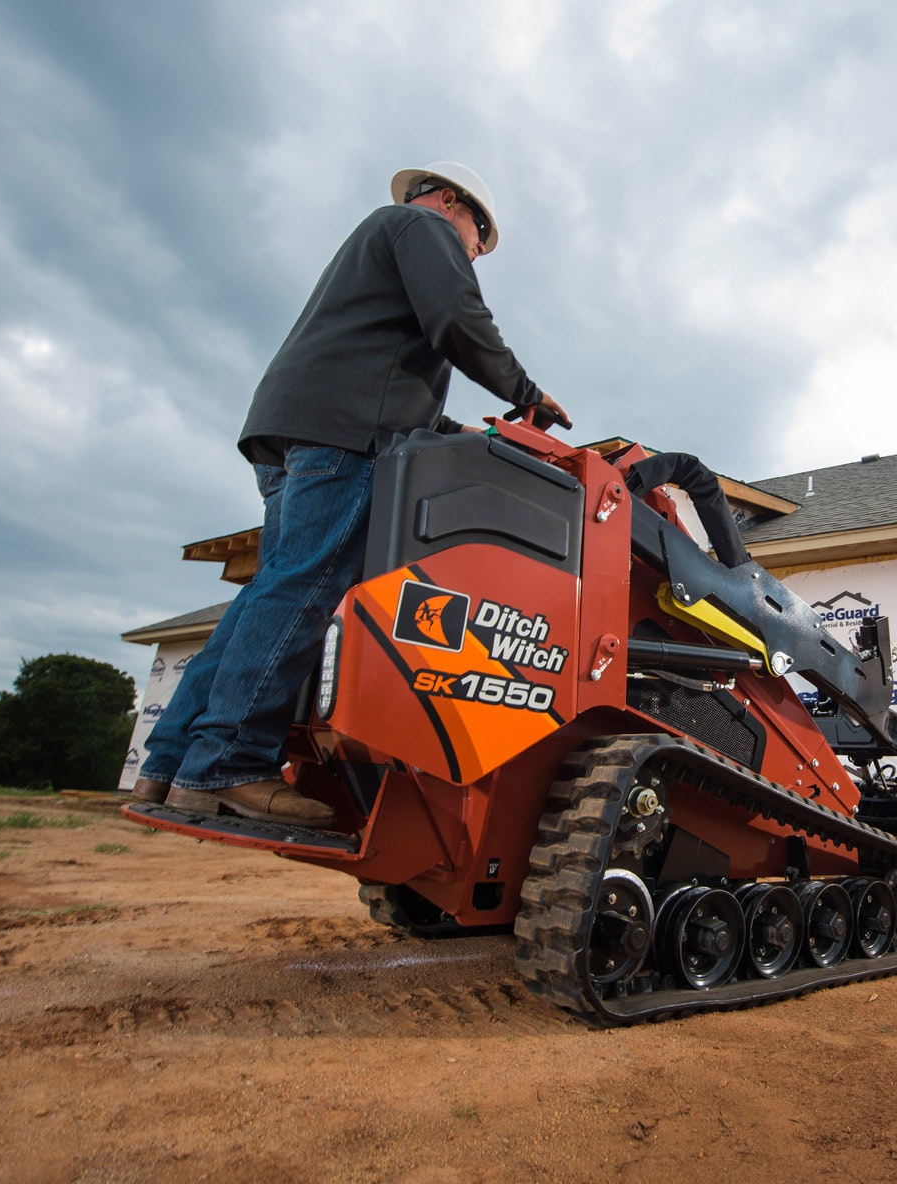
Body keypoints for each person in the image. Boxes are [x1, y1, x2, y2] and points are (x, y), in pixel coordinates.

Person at [132, 162, 570, 828]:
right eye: (478, 243)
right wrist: (526, 394)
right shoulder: (421, 226)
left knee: (271, 589)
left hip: (297, 428)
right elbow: (456, 317)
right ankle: (229, 763)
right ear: (454, 205)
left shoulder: (377, 241)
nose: (474, 255)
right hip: (343, 433)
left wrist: (448, 432)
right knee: (306, 586)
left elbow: (387, 360)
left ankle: (169, 769)